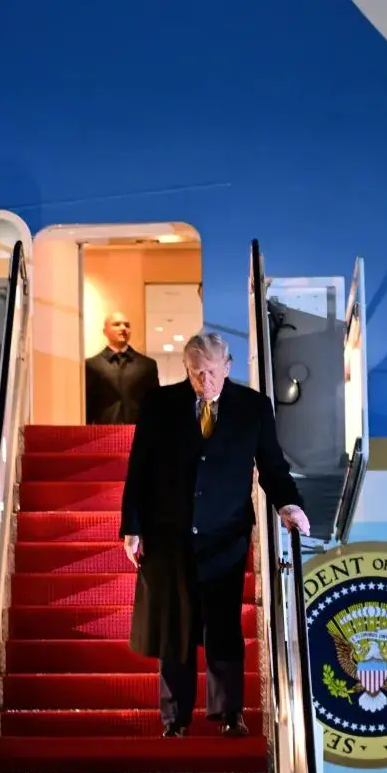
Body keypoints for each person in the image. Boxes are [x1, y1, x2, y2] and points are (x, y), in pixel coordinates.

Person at [119, 330, 310, 738]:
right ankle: (175, 719)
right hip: (169, 534)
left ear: (227, 367)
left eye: (209, 371)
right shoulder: (159, 404)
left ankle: (228, 713)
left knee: (223, 626)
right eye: (194, 372)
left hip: (225, 536)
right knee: (174, 628)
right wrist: (132, 527)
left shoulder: (253, 407)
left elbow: (272, 466)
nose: (203, 381)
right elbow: (140, 468)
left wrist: (289, 506)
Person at [84, 312, 160, 425]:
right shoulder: (91, 365)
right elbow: (88, 405)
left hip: (139, 430)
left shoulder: (148, 365)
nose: (123, 328)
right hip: (103, 430)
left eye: (127, 325)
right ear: (105, 331)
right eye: (116, 324)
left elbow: (155, 403)